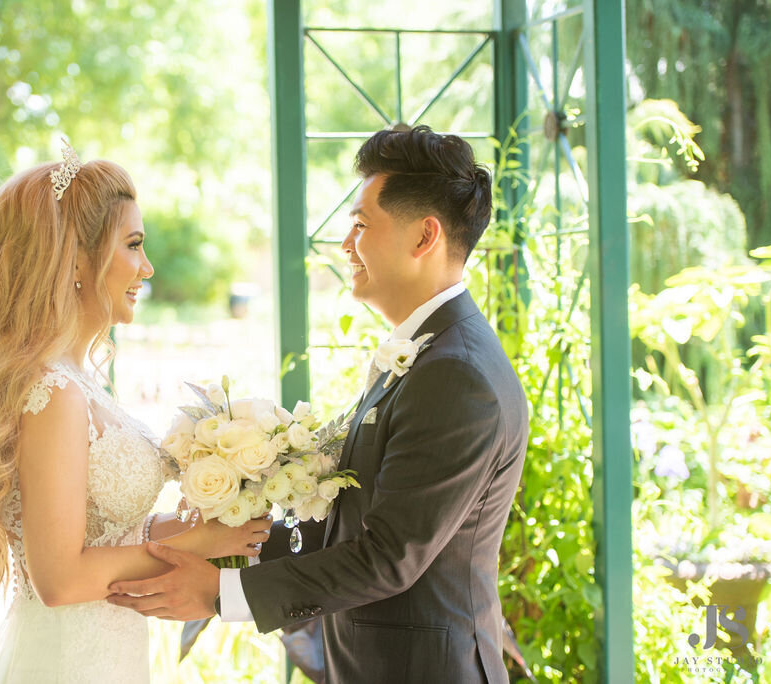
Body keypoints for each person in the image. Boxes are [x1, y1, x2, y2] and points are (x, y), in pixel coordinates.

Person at [107, 125, 529, 683]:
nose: (346, 245)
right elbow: (350, 522)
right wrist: (234, 536)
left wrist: (221, 593)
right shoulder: (429, 353)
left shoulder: (458, 373)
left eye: (360, 226)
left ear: (425, 237)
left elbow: (387, 556)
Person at [0, 140, 271, 683]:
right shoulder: (53, 393)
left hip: (103, 655)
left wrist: (213, 518)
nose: (148, 267)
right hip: (65, 662)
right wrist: (197, 543)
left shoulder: (77, 381)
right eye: (133, 245)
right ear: (73, 258)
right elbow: (62, 579)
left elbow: (106, 533)